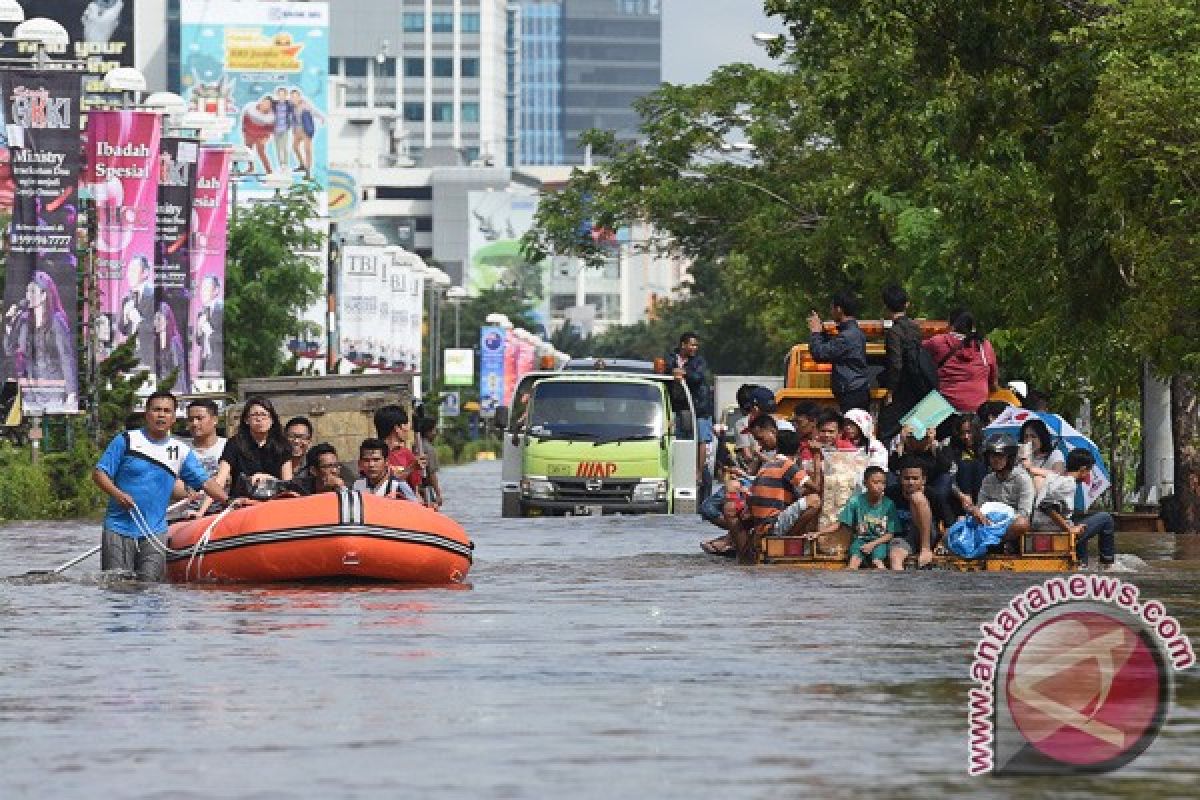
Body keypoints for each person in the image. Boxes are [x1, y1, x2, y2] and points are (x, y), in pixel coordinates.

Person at [91, 390, 229, 580]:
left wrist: (230, 502)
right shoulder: (126, 440)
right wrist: (118, 494)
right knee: (118, 587)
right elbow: (99, 474)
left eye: (167, 411)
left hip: (155, 532)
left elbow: (205, 483)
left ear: (174, 418)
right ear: (147, 414)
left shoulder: (181, 451)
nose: (161, 415)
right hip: (119, 527)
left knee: (152, 589)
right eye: (156, 410)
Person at [728, 428, 821, 563]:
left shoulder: (767, 465)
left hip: (762, 524)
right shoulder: (787, 465)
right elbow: (816, 488)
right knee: (815, 501)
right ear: (798, 450)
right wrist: (817, 456)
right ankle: (787, 540)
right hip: (772, 524)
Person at [2, 271, 77, 411]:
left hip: (53, 388)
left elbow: (66, 357)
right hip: (29, 389)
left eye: (33, 291)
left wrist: (71, 392)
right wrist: (9, 323)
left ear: (44, 295)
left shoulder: (56, 321)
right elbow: (9, 349)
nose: (28, 296)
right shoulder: (23, 319)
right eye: (27, 291)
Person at [1031, 448, 1116, 569]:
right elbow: (1046, 505)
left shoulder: (1054, 478)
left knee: (1079, 521)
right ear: (1082, 470)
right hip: (1055, 531)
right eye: (1089, 471)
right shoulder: (1068, 483)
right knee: (1106, 519)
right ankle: (1107, 563)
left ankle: (1082, 563)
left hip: (1041, 526)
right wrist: (1069, 529)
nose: (1088, 476)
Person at [813, 465, 901, 570]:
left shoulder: (889, 504)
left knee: (877, 562)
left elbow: (890, 534)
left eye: (883, 483)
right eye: (875, 482)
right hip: (860, 541)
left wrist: (872, 544)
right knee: (853, 562)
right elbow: (840, 524)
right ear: (865, 483)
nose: (880, 486)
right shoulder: (855, 502)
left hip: (879, 542)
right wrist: (818, 533)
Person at [212, 396, 293, 499]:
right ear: (246, 420)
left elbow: (288, 483)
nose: (259, 419)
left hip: (274, 502)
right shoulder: (234, 443)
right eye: (255, 415)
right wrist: (201, 512)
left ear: (272, 420)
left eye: (264, 415)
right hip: (242, 502)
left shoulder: (282, 445)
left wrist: (268, 478)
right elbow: (220, 480)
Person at [878, 284, 929, 441]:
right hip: (918, 388)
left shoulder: (894, 332)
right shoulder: (915, 328)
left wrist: (891, 391)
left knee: (886, 431)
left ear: (886, 307)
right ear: (906, 304)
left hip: (902, 389)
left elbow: (896, 364)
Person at [922, 311, 999, 414]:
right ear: (972, 327)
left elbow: (916, 353)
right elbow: (993, 382)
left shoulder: (938, 342)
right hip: (978, 409)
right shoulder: (984, 346)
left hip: (945, 409)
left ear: (951, 325)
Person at [666, 332, 714, 488]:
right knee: (678, 438)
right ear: (683, 345)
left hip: (699, 407)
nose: (694, 348)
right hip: (680, 407)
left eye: (696, 345)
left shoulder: (699, 361)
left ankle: (699, 472)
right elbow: (665, 371)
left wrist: (684, 373)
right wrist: (672, 371)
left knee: (700, 439)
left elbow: (698, 377)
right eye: (692, 345)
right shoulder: (671, 358)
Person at [807, 291, 869, 412]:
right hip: (854, 391)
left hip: (852, 392)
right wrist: (822, 332)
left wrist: (815, 332)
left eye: (832, 308)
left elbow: (820, 353)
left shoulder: (847, 336)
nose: (831, 312)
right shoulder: (851, 333)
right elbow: (831, 347)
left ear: (839, 309)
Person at [971, 433, 1035, 547]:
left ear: (1009, 458)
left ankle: (997, 544)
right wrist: (976, 512)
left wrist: (1001, 522)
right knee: (962, 519)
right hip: (988, 524)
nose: (995, 460)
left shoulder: (1023, 479)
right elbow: (981, 506)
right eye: (992, 456)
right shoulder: (988, 479)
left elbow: (1024, 513)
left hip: (1010, 528)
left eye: (1000, 456)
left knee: (1022, 523)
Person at [179, 398, 227, 519]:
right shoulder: (180, 449)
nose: (194, 424)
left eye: (200, 418)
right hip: (188, 517)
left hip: (224, 514)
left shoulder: (229, 447)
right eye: (191, 419)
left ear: (215, 419)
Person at [886, 456, 936, 569]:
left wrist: (937, 545)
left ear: (923, 480)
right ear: (900, 478)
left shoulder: (933, 495)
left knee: (917, 497)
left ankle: (925, 548)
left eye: (915, 478)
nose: (910, 482)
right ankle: (901, 586)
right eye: (906, 478)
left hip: (927, 535)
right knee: (895, 557)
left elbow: (947, 522)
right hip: (903, 538)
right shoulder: (891, 494)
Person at [374, 404, 424, 497]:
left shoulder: (406, 454)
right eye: (405, 425)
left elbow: (415, 489)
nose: (408, 429)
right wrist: (410, 468)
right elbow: (378, 482)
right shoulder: (373, 455)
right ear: (397, 428)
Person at [353, 438, 419, 500]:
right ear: (360, 463)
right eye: (366, 460)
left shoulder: (398, 486)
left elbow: (416, 509)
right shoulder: (357, 486)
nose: (371, 465)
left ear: (386, 462)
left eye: (376, 460)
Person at [120, 254, 155, 368]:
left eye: (134, 271)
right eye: (129, 271)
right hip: (132, 356)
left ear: (145, 273)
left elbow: (158, 329)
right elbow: (123, 330)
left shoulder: (154, 296)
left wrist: (139, 320)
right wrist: (125, 317)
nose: (129, 275)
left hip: (151, 356)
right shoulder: (127, 298)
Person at [1019, 417, 1065, 492]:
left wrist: (1031, 468)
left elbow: (1058, 475)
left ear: (1042, 438)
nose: (1029, 440)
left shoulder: (1055, 454)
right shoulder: (1022, 455)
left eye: (1033, 436)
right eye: (1026, 436)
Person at [153, 302, 189, 394]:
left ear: (167, 321)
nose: (155, 323)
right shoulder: (154, 340)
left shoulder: (174, 341)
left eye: (159, 319)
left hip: (174, 388)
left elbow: (178, 369)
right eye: (155, 319)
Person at [194, 275, 224, 375]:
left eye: (206, 289)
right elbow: (199, 341)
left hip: (217, 363)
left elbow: (223, 337)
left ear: (216, 290)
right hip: (204, 363)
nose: (202, 293)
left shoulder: (221, 310)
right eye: (201, 289)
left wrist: (209, 331)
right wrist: (199, 329)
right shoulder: (202, 312)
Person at [415, 417, 443, 508]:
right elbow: (431, 473)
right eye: (434, 430)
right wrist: (438, 494)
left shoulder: (415, 445)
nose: (435, 434)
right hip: (425, 489)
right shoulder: (429, 449)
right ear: (428, 432)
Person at [271, 87, 294, 175]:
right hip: (275, 130)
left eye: (283, 94)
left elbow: (293, 113)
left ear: (285, 95)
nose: (281, 96)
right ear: (277, 95)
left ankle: (286, 165)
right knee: (277, 149)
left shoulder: (289, 104)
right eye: (279, 94)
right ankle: (281, 166)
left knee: (284, 148)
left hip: (284, 129)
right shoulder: (274, 104)